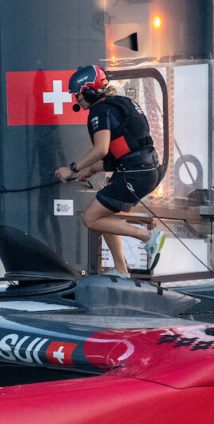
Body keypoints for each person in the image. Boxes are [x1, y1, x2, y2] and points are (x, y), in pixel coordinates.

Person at [53, 64, 165, 276]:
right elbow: (120, 149)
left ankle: (148, 237)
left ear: (89, 90)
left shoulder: (99, 110)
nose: (76, 100)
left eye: (77, 95)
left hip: (135, 173)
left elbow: (101, 148)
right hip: (145, 170)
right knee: (103, 215)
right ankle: (121, 270)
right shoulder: (119, 103)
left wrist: (72, 169)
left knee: (90, 218)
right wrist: (90, 171)